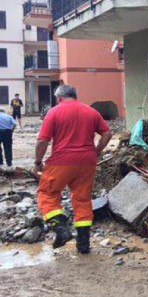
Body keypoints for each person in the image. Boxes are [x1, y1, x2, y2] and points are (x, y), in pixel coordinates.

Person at [34, 85, 112, 253]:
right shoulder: (91, 112)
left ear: (58, 97)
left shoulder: (54, 112)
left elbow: (42, 141)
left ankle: (62, 229)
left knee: (46, 194)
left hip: (61, 161)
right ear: (74, 96)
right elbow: (107, 134)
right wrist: (96, 152)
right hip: (87, 162)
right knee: (82, 199)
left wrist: (38, 162)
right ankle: (83, 245)